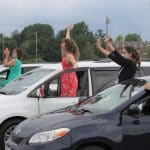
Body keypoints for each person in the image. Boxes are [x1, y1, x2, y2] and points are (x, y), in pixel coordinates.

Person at [60, 25, 80, 96]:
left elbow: (75, 65)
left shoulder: (69, 55)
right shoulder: (66, 54)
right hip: (66, 79)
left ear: (66, 46)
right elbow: (67, 39)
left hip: (70, 80)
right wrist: (68, 30)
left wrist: (69, 72)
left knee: (68, 99)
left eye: (63, 43)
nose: (61, 44)